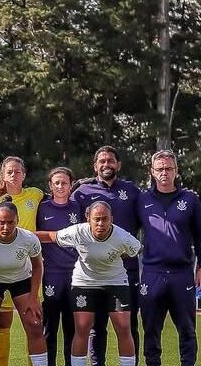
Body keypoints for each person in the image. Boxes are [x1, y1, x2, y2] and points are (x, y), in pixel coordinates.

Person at [38, 201, 141, 366]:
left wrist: (112, 257)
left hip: (115, 282)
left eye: (105, 219)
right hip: (84, 283)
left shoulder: (122, 237)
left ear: (111, 219)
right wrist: (21, 235)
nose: (100, 223)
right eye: (96, 219)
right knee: (82, 327)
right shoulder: (78, 231)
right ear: (88, 219)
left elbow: (135, 250)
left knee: (123, 327)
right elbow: (51, 236)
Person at [136, 150, 201, 366]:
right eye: (159, 169)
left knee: (187, 330)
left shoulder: (190, 199)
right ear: (152, 172)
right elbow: (129, 233)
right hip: (151, 274)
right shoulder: (142, 200)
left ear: (176, 171)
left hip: (181, 274)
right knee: (150, 330)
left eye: (168, 168)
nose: (164, 173)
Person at [71, 146, 141, 366]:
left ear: (118, 164)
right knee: (95, 326)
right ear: (95, 166)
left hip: (125, 270)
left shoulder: (132, 191)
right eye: (102, 161)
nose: (106, 164)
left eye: (111, 160)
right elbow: (69, 222)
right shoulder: (82, 192)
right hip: (92, 271)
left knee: (128, 325)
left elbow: (146, 221)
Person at [0, 156, 45, 366]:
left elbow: (61, 193)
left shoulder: (35, 195)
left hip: (29, 266)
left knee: (34, 321)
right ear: (3, 175)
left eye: (18, 171)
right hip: (1, 267)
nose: (14, 175)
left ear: (24, 174)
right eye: (9, 172)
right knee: (3, 322)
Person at [0, 202, 47, 366]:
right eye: (1, 222)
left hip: (21, 280)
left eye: (10, 222)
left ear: (17, 220)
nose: (6, 226)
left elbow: (38, 266)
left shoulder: (29, 238)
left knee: (35, 324)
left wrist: (34, 298)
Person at [35, 167, 81, 366]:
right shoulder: (42, 207)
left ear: (71, 185)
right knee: (49, 329)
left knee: (72, 329)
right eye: (56, 183)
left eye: (64, 182)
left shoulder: (78, 207)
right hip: (50, 274)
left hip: (75, 275)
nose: (60, 186)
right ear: (50, 186)